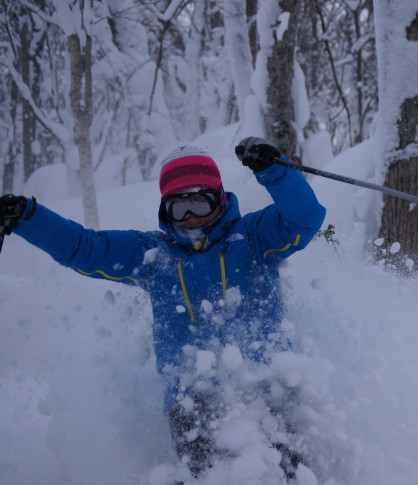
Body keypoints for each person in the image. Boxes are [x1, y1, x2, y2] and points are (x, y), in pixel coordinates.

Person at [0, 138, 326, 478]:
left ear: (219, 198)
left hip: (269, 385)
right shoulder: (153, 256)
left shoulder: (255, 237)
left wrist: (275, 171)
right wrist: (27, 216)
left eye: (199, 204)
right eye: (178, 208)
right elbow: (85, 248)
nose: (189, 219)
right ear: (164, 209)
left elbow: (304, 219)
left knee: (287, 474)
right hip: (191, 400)